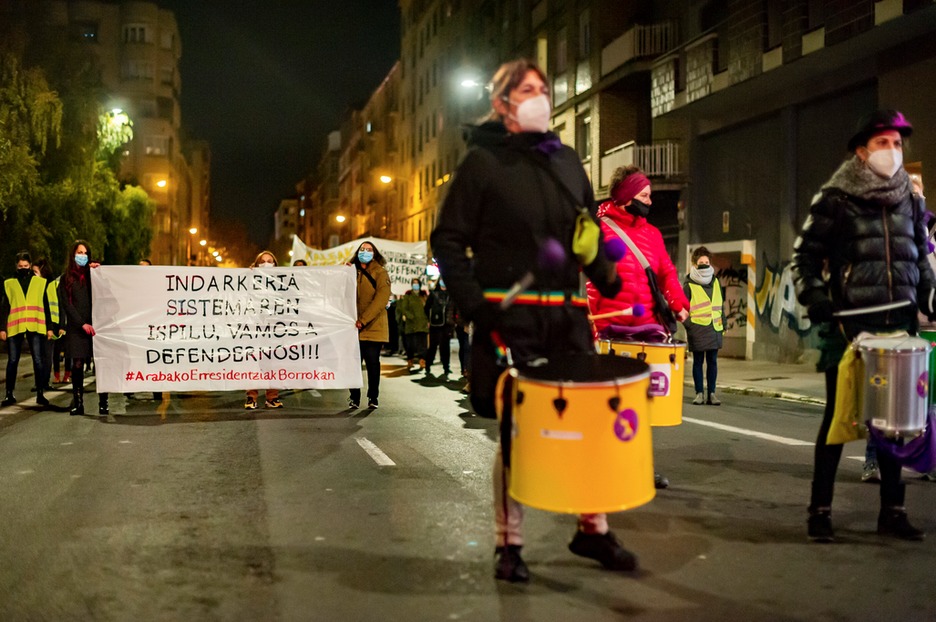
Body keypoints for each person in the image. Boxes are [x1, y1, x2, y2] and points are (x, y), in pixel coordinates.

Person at [431, 59, 625, 582]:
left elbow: (585, 229)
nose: (540, 96)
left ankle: (593, 528)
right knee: (519, 433)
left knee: (588, 428)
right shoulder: (481, 163)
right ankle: (509, 542)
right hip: (509, 321)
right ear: (502, 105)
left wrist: (605, 272)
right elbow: (447, 240)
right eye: (527, 89)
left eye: (543, 88)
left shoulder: (566, 161)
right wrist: (475, 303)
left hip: (568, 318)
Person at [792, 109, 936, 542]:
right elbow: (804, 258)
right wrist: (816, 298)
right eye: (882, 143)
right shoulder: (837, 197)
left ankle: (892, 511)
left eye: (896, 143)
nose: (892, 151)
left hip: (900, 321)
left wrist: (929, 294)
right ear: (861, 151)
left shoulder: (910, 200)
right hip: (850, 326)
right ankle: (819, 512)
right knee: (838, 420)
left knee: (893, 423)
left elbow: (918, 255)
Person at [586, 165, 690, 490]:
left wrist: (679, 304)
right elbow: (591, 284)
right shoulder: (599, 230)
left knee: (644, 404)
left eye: (649, 195)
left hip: (647, 330)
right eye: (644, 195)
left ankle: (641, 465)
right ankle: (604, 463)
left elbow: (667, 274)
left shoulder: (653, 235)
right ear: (627, 196)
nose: (649, 200)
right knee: (610, 403)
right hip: (611, 329)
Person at [58, 240, 108, 416]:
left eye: (85, 253)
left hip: (96, 326)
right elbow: (67, 304)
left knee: (101, 363)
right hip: (77, 328)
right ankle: (78, 403)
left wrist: (98, 271)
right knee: (77, 365)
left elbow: (105, 294)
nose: (83, 256)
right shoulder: (65, 279)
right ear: (73, 255)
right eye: (79, 252)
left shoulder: (92, 275)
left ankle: (104, 402)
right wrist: (81, 324)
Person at [1, 251, 52, 407]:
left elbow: (46, 306)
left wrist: (49, 328)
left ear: (30, 265)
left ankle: (40, 393)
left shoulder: (39, 283)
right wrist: (2, 328)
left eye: (26, 265)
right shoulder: (9, 283)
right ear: (16, 266)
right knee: (13, 360)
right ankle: (9, 394)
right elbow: (4, 307)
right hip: (14, 325)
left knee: (37, 360)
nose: (23, 268)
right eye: (20, 266)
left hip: (35, 324)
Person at [348, 240, 391, 409]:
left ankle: (373, 397)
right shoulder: (350, 270)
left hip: (373, 325)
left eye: (369, 249)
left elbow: (381, 300)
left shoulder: (380, 272)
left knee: (372, 362)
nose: (365, 251)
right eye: (362, 249)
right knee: (353, 364)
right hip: (352, 327)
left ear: (374, 254)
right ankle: (354, 398)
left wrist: (363, 320)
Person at [682, 246, 724, 406]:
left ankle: (712, 394)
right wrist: (689, 326)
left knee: (712, 361)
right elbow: (681, 309)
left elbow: (720, 304)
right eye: (701, 262)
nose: (705, 265)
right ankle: (699, 393)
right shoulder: (689, 285)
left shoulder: (716, 282)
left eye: (707, 262)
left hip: (714, 328)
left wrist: (723, 323)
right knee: (698, 361)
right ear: (694, 264)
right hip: (697, 329)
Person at [244, 251, 284, 410]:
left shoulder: (282, 282)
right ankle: (251, 396)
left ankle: (272, 397)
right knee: (252, 363)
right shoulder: (249, 279)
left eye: (270, 261)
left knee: (272, 363)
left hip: (274, 330)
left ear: (275, 265)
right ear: (257, 264)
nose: (267, 264)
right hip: (254, 329)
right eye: (263, 261)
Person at [31, 258, 60, 394]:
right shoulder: (35, 285)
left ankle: (44, 382)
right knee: (39, 356)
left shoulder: (51, 284)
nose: (33, 275)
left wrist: (58, 326)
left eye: (35, 272)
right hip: (37, 322)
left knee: (47, 356)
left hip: (51, 324)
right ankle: (40, 383)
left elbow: (57, 304)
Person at [396, 278, 429, 372]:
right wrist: (410, 316)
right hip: (411, 324)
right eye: (413, 283)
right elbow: (403, 308)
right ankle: (410, 360)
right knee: (411, 344)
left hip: (422, 324)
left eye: (417, 283)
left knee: (422, 344)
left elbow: (427, 308)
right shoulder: (408, 295)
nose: (415, 285)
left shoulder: (424, 295)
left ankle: (422, 360)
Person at [423, 279, 455, 376]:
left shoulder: (451, 294)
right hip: (435, 324)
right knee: (433, 346)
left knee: (445, 347)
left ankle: (446, 367)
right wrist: (430, 319)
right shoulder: (433, 294)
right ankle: (428, 364)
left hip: (447, 324)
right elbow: (426, 308)